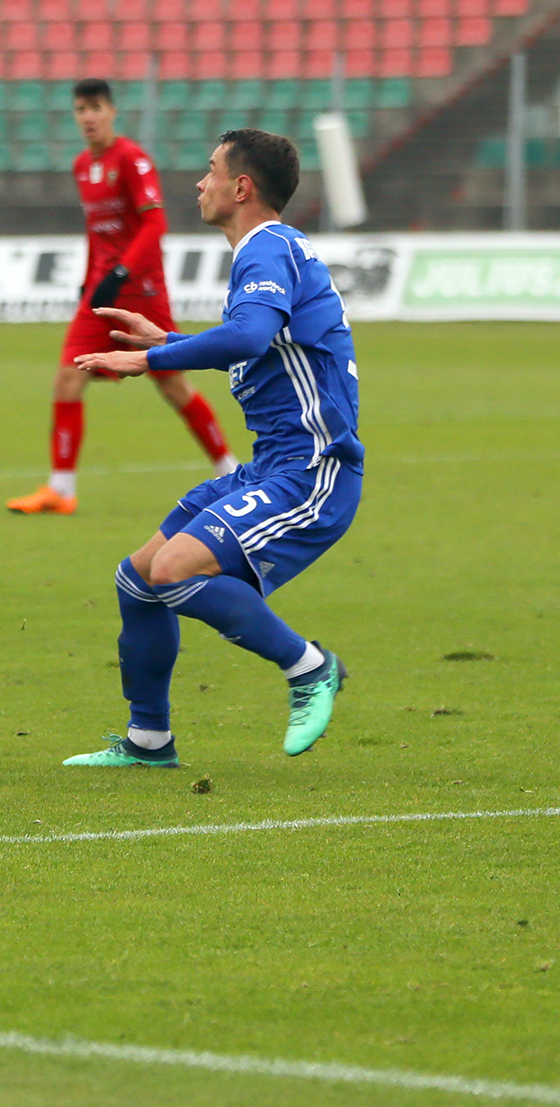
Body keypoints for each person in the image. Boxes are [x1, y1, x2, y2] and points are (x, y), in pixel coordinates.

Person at [61, 130, 359, 767]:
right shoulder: (271, 251)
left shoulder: (266, 247)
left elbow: (248, 338)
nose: (200, 183)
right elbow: (260, 345)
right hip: (270, 465)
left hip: (312, 471)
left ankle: (310, 667)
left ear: (241, 187)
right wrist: (165, 338)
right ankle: (149, 742)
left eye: (211, 171)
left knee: (175, 570)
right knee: (140, 578)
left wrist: (150, 358)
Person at [7, 78, 236, 516]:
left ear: (112, 112)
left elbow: (154, 225)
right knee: (68, 376)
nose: (88, 117)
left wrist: (121, 271)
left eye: (96, 107)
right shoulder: (81, 165)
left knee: (172, 384)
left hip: (140, 291)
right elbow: (96, 231)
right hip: (101, 290)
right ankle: (61, 489)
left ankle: (229, 469)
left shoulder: (132, 159)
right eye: (81, 109)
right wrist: (88, 280)